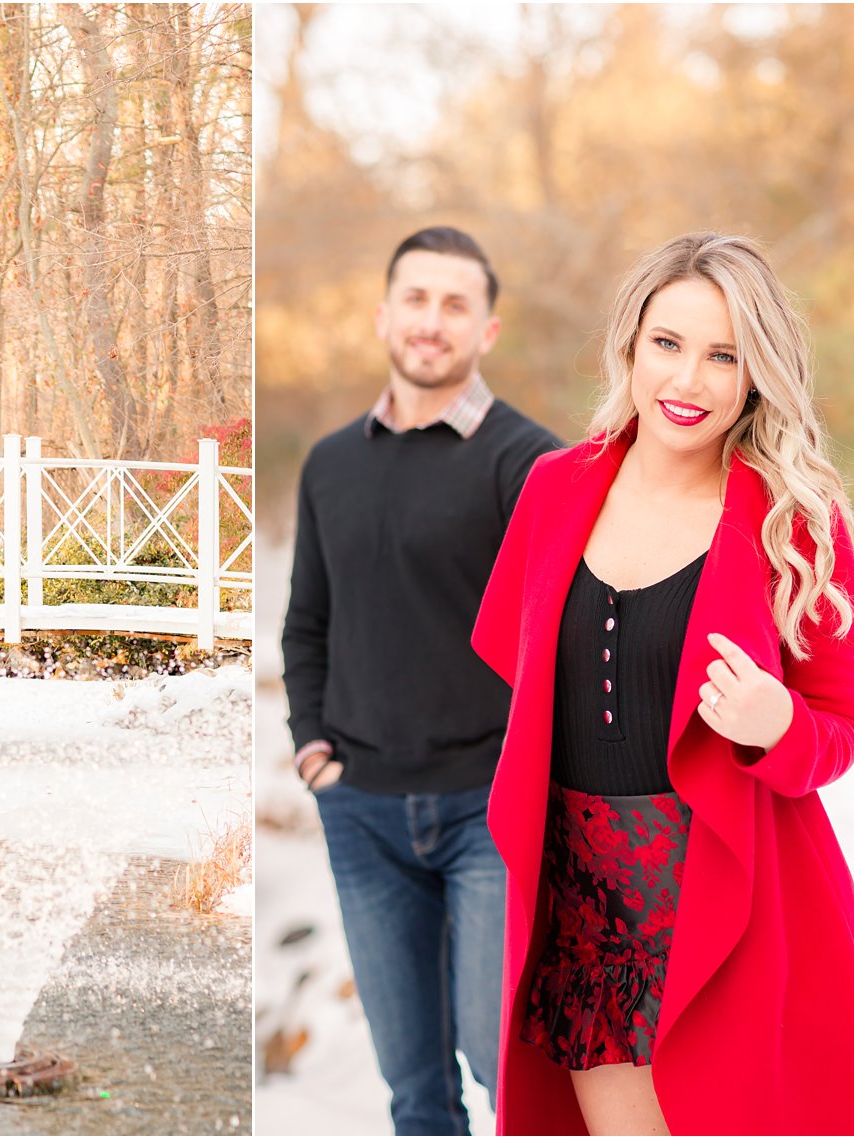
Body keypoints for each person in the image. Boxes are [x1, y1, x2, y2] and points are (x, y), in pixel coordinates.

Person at [472, 232, 854, 1135]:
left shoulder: (795, 522)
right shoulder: (554, 489)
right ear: (629, 347)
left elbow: (840, 729)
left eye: (723, 355)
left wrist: (778, 721)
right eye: (667, 344)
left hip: (732, 901)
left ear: (755, 375)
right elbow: (521, 671)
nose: (688, 380)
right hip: (585, 902)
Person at [282, 226, 560, 1135]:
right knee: (415, 1092)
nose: (431, 321)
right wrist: (312, 746)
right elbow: (308, 620)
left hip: (489, 811)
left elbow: (567, 629)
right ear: (383, 313)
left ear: (487, 330)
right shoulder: (331, 463)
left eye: (455, 304)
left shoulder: (528, 463)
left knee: (501, 1063)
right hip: (362, 812)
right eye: (416, 298)